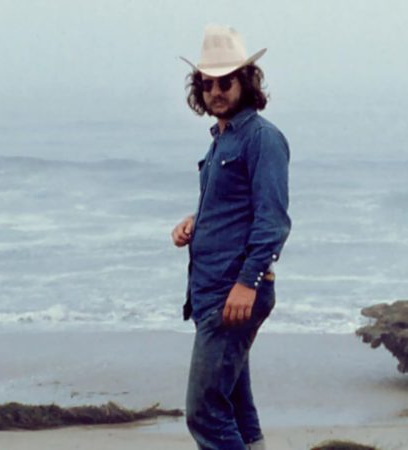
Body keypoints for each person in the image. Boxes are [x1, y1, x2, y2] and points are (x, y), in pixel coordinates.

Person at [171, 25, 291, 450]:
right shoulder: (222, 139)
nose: (216, 91)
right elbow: (237, 206)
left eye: (226, 81)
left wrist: (247, 283)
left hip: (232, 292)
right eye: (208, 83)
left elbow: (273, 221)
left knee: (203, 412)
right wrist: (194, 222)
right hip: (209, 292)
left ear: (246, 81)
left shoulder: (263, 139)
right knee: (236, 404)